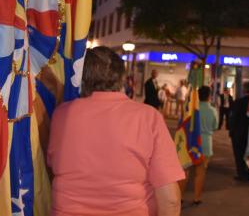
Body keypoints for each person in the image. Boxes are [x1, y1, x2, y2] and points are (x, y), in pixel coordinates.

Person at [48, 46, 184, 216]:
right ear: (121, 78)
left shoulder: (62, 115)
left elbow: (53, 168)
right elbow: (170, 199)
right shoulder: (148, 118)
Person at [179, 86, 218, 206]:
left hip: (191, 141)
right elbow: (215, 126)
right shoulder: (212, 110)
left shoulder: (192, 109)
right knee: (200, 172)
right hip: (205, 143)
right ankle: (197, 197)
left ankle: (179, 196)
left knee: (186, 170)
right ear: (209, 96)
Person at [229, 82, 249, 180]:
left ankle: (241, 173)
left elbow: (233, 118)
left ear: (244, 90)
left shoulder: (238, 102)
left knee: (239, 155)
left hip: (239, 133)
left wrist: (231, 131)